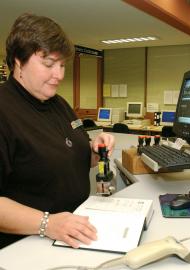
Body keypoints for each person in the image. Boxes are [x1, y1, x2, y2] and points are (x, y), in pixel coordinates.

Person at [0, 13, 115, 249]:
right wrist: (48, 223)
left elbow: (70, 157)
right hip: (24, 244)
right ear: (18, 61)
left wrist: (96, 150)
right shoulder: (4, 110)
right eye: (49, 64)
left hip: (72, 231)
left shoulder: (58, 103)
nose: (59, 75)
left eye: (62, 65)